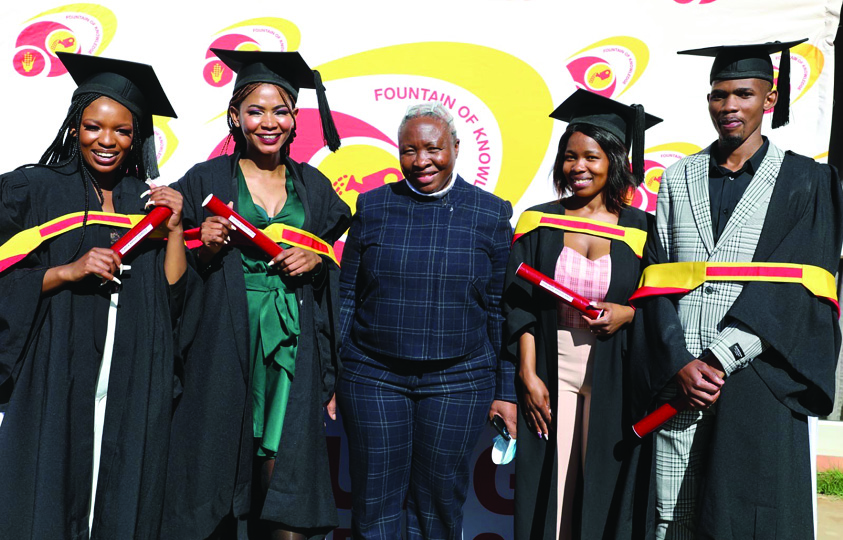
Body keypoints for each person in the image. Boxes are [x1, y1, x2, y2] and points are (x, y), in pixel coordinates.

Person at [628, 39, 843, 539]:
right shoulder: (678, 179)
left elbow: (802, 287)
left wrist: (720, 357)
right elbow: (656, 277)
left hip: (756, 376)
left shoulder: (808, 182)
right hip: (679, 381)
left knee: (741, 516)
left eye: (743, 94)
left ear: (769, 100)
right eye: (718, 95)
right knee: (670, 513)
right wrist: (679, 359)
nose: (728, 107)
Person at [0, 52, 196, 539]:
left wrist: (173, 229)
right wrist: (66, 271)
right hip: (57, 364)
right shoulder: (35, 189)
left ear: (137, 138)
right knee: (50, 487)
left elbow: (173, 294)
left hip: (131, 370)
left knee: (120, 489)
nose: (106, 140)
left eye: (122, 131)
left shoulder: (142, 201)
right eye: (93, 127)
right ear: (73, 127)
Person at [162, 49, 351, 540]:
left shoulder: (314, 187)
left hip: (290, 340)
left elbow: (336, 264)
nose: (269, 122)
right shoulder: (205, 179)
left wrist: (317, 261)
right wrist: (203, 246)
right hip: (223, 335)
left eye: (281, 110)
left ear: (294, 119)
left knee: (282, 458)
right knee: (219, 449)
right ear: (235, 117)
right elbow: (172, 263)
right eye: (255, 110)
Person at [336, 102, 516, 540]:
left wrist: (505, 391)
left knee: (437, 507)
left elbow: (499, 309)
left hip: (459, 379)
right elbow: (347, 296)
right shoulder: (373, 206)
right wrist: (332, 374)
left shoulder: (490, 214)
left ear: (455, 146)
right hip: (373, 376)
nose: (421, 162)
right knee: (374, 504)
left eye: (433, 149)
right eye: (409, 151)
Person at [504, 89, 660, 540]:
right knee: (555, 481)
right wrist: (528, 374)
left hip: (615, 365)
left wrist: (628, 315)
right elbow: (520, 303)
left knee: (604, 477)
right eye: (570, 157)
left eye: (591, 157)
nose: (578, 168)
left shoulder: (641, 228)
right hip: (554, 362)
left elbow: (656, 301)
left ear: (614, 160)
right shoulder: (539, 221)